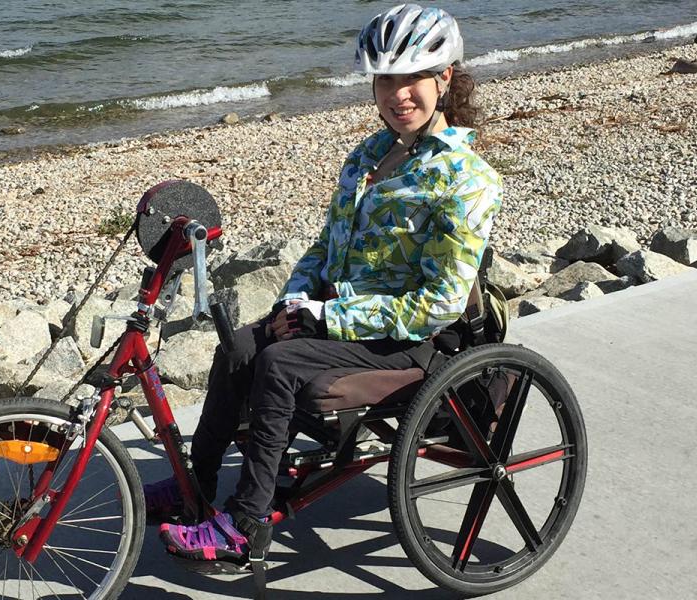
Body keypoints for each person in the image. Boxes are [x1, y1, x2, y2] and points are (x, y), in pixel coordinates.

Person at [154, 3, 503, 566]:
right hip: (339, 319)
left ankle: (246, 526)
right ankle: (196, 488)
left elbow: (438, 304)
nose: (398, 95)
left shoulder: (466, 179)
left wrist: (325, 318)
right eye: (385, 79)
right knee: (241, 346)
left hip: (410, 341)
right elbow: (326, 246)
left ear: (443, 78)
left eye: (412, 78)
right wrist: (296, 298)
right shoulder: (369, 155)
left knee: (279, 365)